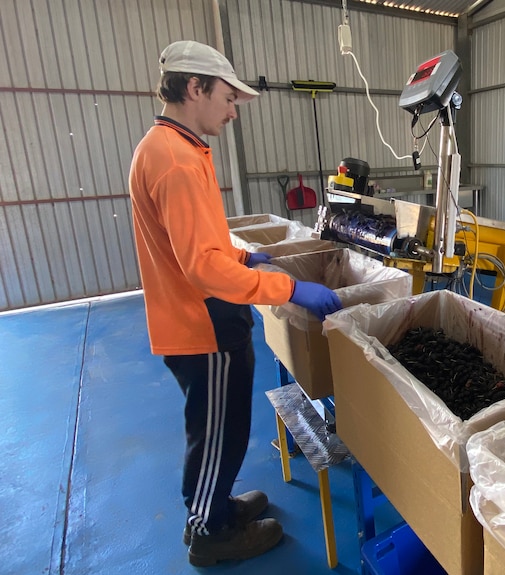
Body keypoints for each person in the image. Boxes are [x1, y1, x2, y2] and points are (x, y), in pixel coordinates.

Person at [128, 40, 342, 566]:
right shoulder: (176, 160)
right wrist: (290, 289)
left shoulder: (173, 146)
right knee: (218, 431)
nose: (232, 110)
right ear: (194, 87)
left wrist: (244, 258)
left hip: (196, 313)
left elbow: (199, 242)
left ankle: (217, 506)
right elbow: (202, 267)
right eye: (227, 97)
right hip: (203, 324)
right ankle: (209, 531)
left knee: (220, 426)